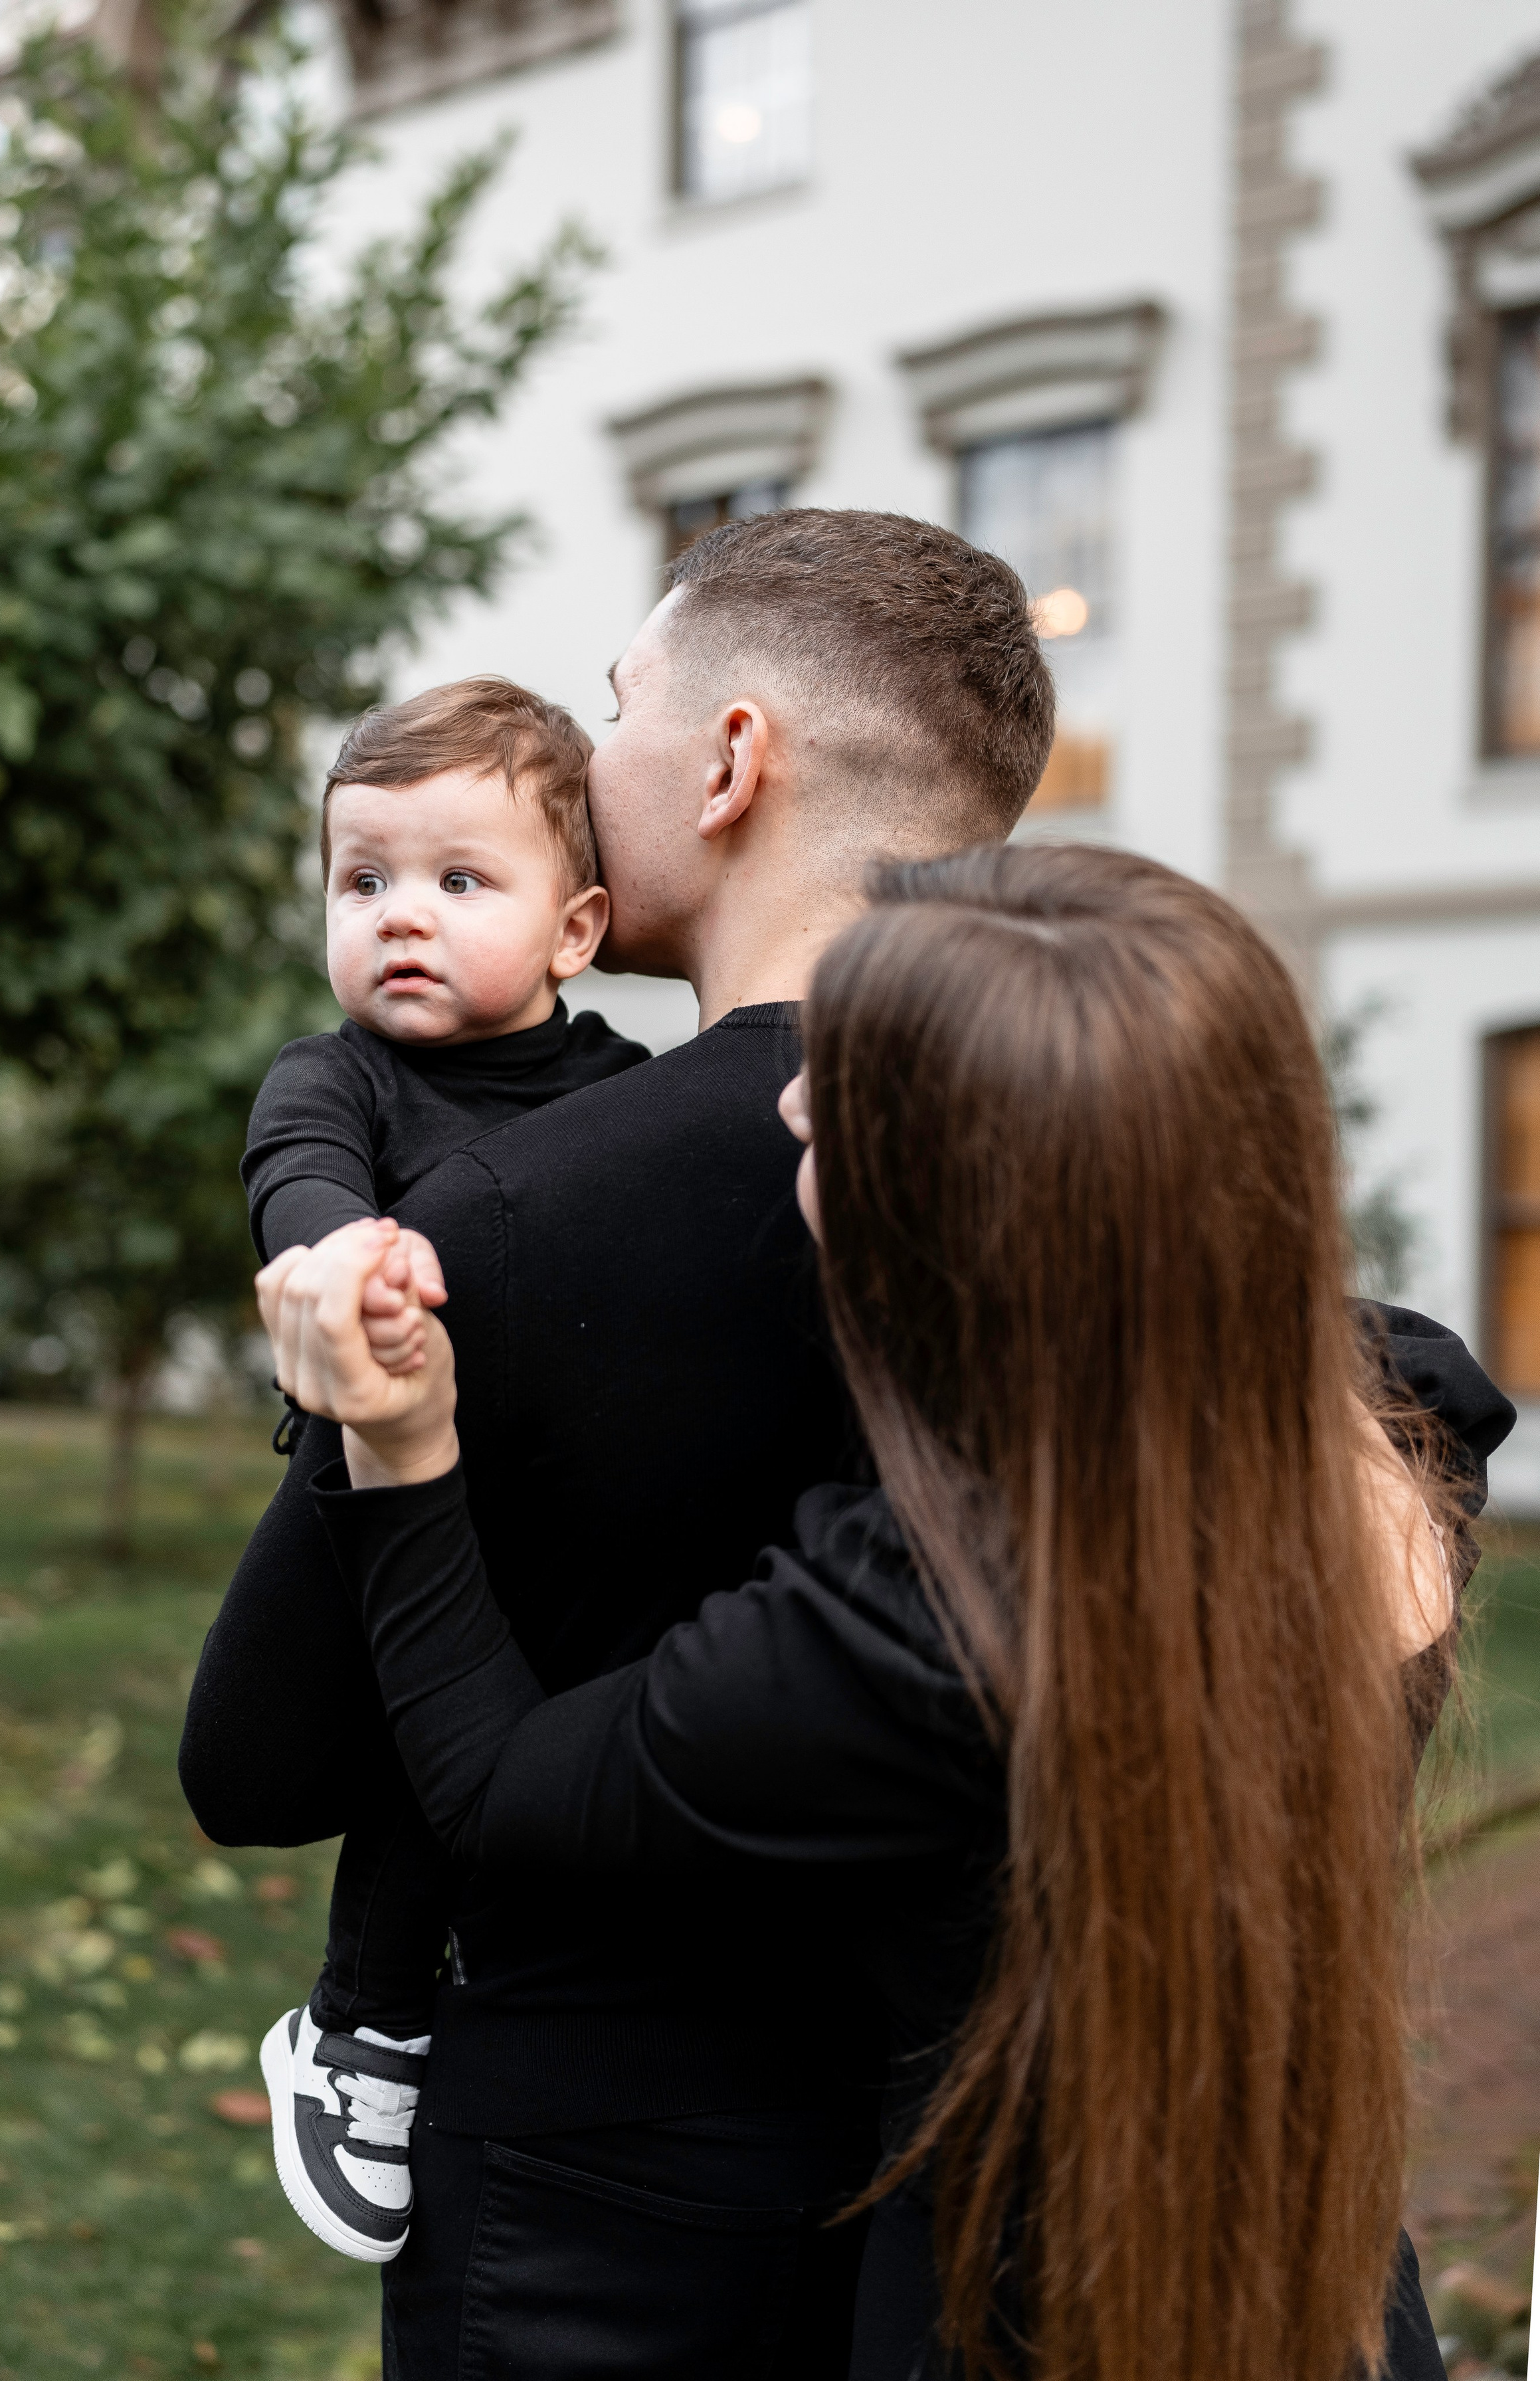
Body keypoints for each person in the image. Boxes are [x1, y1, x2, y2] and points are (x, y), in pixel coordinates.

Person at [179, 510, 1495, 2377]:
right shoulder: (1231, 1301)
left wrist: (383, 1433)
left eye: (617, 704)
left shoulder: (519, 1220)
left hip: (615, 2210)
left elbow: (253, 1761)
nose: (586, 745)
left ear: (728, 761)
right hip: (1139, 2220)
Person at [238, 676, 647, 2261]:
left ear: (575, 927)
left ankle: (475, 1973)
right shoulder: (333, 1076)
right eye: (364, 880)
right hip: (379, 1495)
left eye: (459, 881)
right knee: (416, 1759)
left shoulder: (623, 1095)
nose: (401, 917)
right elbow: (299, 1175)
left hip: (558, 1494)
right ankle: (359, 2022)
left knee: (527, 1736)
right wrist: (346, 1258)